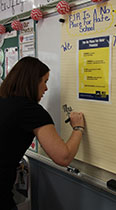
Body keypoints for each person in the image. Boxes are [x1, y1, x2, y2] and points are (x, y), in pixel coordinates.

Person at [0, 56, 85, 210]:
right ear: (32, 82)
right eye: (44, 81)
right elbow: (63, 157)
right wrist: (78, 128)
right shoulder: (30, 111)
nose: (46, 88)